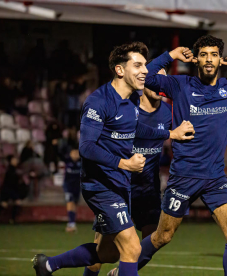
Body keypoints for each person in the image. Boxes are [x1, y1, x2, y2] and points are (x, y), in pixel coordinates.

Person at [115, 35, 227, 276]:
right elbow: (145, 77)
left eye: (213, 55)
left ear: (220, 59)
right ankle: (123, 271)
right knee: (162, 236)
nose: (208, 60)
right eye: (203, 55)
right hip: (183, 177)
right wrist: (171, 55)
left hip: (215, 178)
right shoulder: (180, 85)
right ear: (196, 60)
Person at [31, 42, 194, 276]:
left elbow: (140, 129)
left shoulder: (132, 103)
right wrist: (125, 163)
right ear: (120, 70)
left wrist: (171, 134)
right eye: (137, 66)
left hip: (121, 185)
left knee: (108, 253)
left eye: (145, 66)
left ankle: (48, 265)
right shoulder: (99, 101)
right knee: (132, 247)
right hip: (100, 185)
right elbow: (86, 147)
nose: (145, 71)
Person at [85, 62, 173, 276]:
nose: (162, 87)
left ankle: (119, 273)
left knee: (157, 236)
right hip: (118, 186)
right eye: (156, 81)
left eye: (165, 82)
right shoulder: (127, 108)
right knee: (104, 250)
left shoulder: (168, 113)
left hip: (148, 188)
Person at [0, 155, 28, 224]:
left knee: (14, 202)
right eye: (14, 160)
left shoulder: (15, 169)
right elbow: (9, 181)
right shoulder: (10, 170)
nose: (16, 161)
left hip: (11, 189)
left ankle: (11, 219)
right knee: (4, 204)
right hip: (8, 189)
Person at [62, 148, 81, 233]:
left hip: (78, 186)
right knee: (70, 202)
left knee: (75, 204)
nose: (75, 155)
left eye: (77, 153)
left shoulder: (82, 162)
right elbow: (59, 153)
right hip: (68, 186)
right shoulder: (67, 161)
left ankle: (72, 222)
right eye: (73, 153)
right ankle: (71, 223)